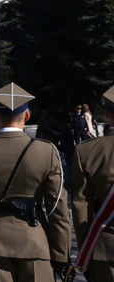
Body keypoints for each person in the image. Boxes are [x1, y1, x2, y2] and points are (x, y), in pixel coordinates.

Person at [0, 83, 70, 281]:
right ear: (27, 115)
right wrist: (62, 254)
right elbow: (57, 208)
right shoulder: (46, 151)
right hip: (36, 243)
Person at [72, 85, 114, 281]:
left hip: (103, 246)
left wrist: (85, 249)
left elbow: (81, 206)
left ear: (106, 113)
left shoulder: (86, 152)